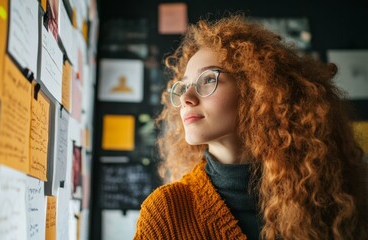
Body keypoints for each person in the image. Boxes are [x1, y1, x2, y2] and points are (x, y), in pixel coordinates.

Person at [133, 14, 368, 240]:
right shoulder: (166, 212)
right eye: (183, 87)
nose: (186, 98)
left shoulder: (333, 200)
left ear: (256, 91)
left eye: (208, 79)